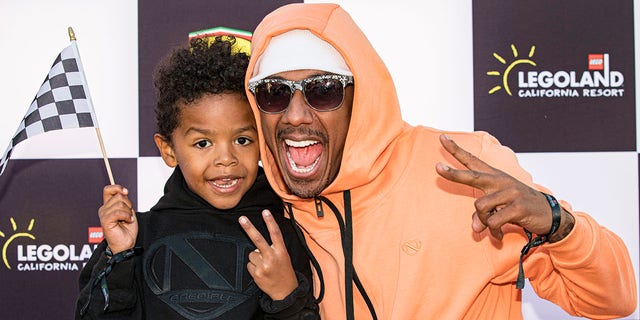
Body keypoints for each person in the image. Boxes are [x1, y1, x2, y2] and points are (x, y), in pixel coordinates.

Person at [239, 3, 638, 319]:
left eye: (323, 91)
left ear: (360, 99)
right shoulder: (267, 211)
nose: (294, 115)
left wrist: (556, 222)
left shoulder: (462, 172)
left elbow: (614, 300)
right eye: (273, 92)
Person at [75, 34, 319, 319]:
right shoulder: (136, 235)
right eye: (203, 143)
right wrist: (119, 258)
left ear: (262, 143)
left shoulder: (282, 233)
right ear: (168, 150)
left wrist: (286, 296)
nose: (226, 158)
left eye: (242, 140)